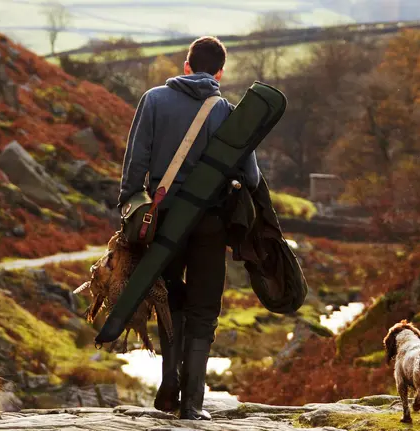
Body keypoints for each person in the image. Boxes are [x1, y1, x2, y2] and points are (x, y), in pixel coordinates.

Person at [117, 36, 260, 421]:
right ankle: (192, 404)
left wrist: (131, 211)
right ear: (219, 73)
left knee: (168, 300)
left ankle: (168, 384)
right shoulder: (228, 112)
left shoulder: (153, 100)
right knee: (203, 309)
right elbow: (250, 174)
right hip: (210, 223)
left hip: (163, 220)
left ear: (185, 66)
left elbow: (135, 165)